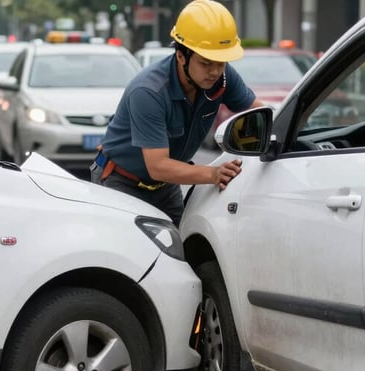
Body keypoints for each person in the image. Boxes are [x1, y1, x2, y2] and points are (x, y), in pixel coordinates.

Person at [91, 0, 264, 227]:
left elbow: (258, 111)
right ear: (181, 56)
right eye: (206, 63)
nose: (214, 71)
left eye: (221, 63)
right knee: (127, 254)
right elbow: (158, 166)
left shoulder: (222, 76)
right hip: (121, 183)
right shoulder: (148, 91)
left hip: (165, 185)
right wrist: (213, 174)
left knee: (181, 250)